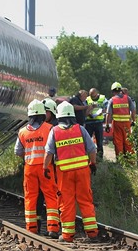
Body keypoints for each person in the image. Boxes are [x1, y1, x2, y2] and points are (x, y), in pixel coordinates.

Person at [43, 101, 98, 243]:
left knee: (66, 203)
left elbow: (48, 153)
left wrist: (45, 168)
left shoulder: (54, 131)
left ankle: (67, 236)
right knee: (86, 200)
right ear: (73, 116)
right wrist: (92, 164)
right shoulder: (80, 129)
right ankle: (92, 233)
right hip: (82, 172)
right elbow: (92, 149)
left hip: (64, 174)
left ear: (59, 116)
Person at [14, 100, 60, 238]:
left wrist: (29, 155)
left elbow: (17, 151)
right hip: (46, 168)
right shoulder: (49, 128)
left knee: (30, 197)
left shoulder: (22, 132)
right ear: (42, 113)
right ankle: (53, 228)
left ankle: (32, 227)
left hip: (29, 168)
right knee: (51, 195)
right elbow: (55, 149)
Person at [105, 82, 136, 157]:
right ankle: (130, 160)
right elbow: (133, 110)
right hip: (127, 123)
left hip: (117, 124)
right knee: (128, 141)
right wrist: (133, 121)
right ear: (120, 90)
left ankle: (120, 161)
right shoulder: (127, 98)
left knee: (118, 141)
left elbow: (108, 114)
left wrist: (107, 125)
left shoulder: (112, 100)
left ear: (112, 91)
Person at [85, 88, 107, 159]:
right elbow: (84, 110)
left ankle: (100, 158)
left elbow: (107, 108)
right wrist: (89, 112)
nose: (92, 98)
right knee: (87, 141)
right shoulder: (87, 99)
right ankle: (87, 157)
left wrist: (102, 111)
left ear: (97, 93)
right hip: (89, 122)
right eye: (91, 96)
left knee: (99, 142)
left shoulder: (103, 98)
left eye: (94, 96)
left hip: (98, 122)